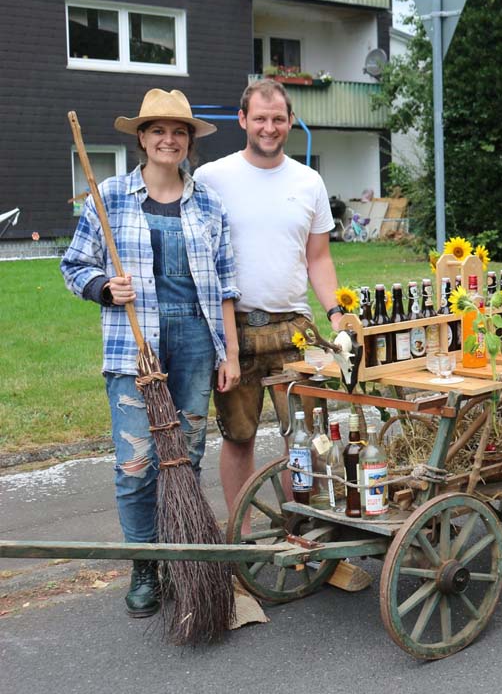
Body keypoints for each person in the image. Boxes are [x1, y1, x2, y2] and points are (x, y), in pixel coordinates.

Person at [61, 89, 240, 617]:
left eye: (179, 131)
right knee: (137, 462)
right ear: (141, 138)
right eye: (158, 130)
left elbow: (226, 284)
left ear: (189, 141)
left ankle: (182, 557)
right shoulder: (109, 197)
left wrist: (228, 353)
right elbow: (73, 265)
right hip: (134, 345)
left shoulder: (208, 203)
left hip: (193, 344)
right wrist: (102, 286)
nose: (169, 139)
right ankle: (145, 566)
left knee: (186, 456)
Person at [193, 79, 345, 519]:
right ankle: (243, 537)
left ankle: (300, 529)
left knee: (304, 436)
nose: (269, 127)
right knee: (238, 437)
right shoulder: (211, 178)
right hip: (233, 330)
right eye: (260, 118)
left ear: (290, 121)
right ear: (243, 120)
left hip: (294, 329)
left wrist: (335, 313)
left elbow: (318, 258)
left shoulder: (309, 181)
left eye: (278, 118)